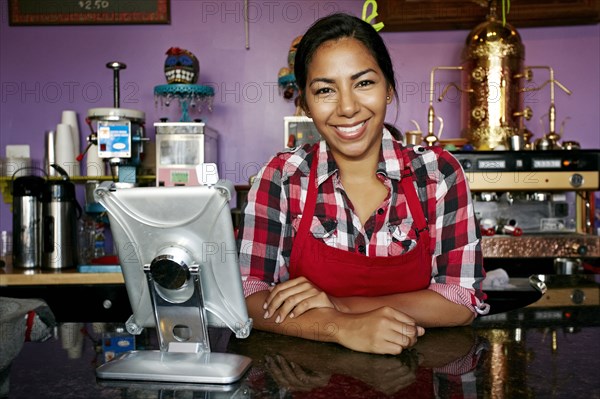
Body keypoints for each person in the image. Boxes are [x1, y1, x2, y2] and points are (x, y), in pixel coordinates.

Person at [237, 13, 488, 355]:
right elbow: (248, 293)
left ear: (389, 89)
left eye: (364, 83)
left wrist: (339, 307)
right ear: (306, 105)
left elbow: (460, 300)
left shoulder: (437, 174)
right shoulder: (282, 177)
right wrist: (339, 328)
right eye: (325, 90)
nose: (348, 107)